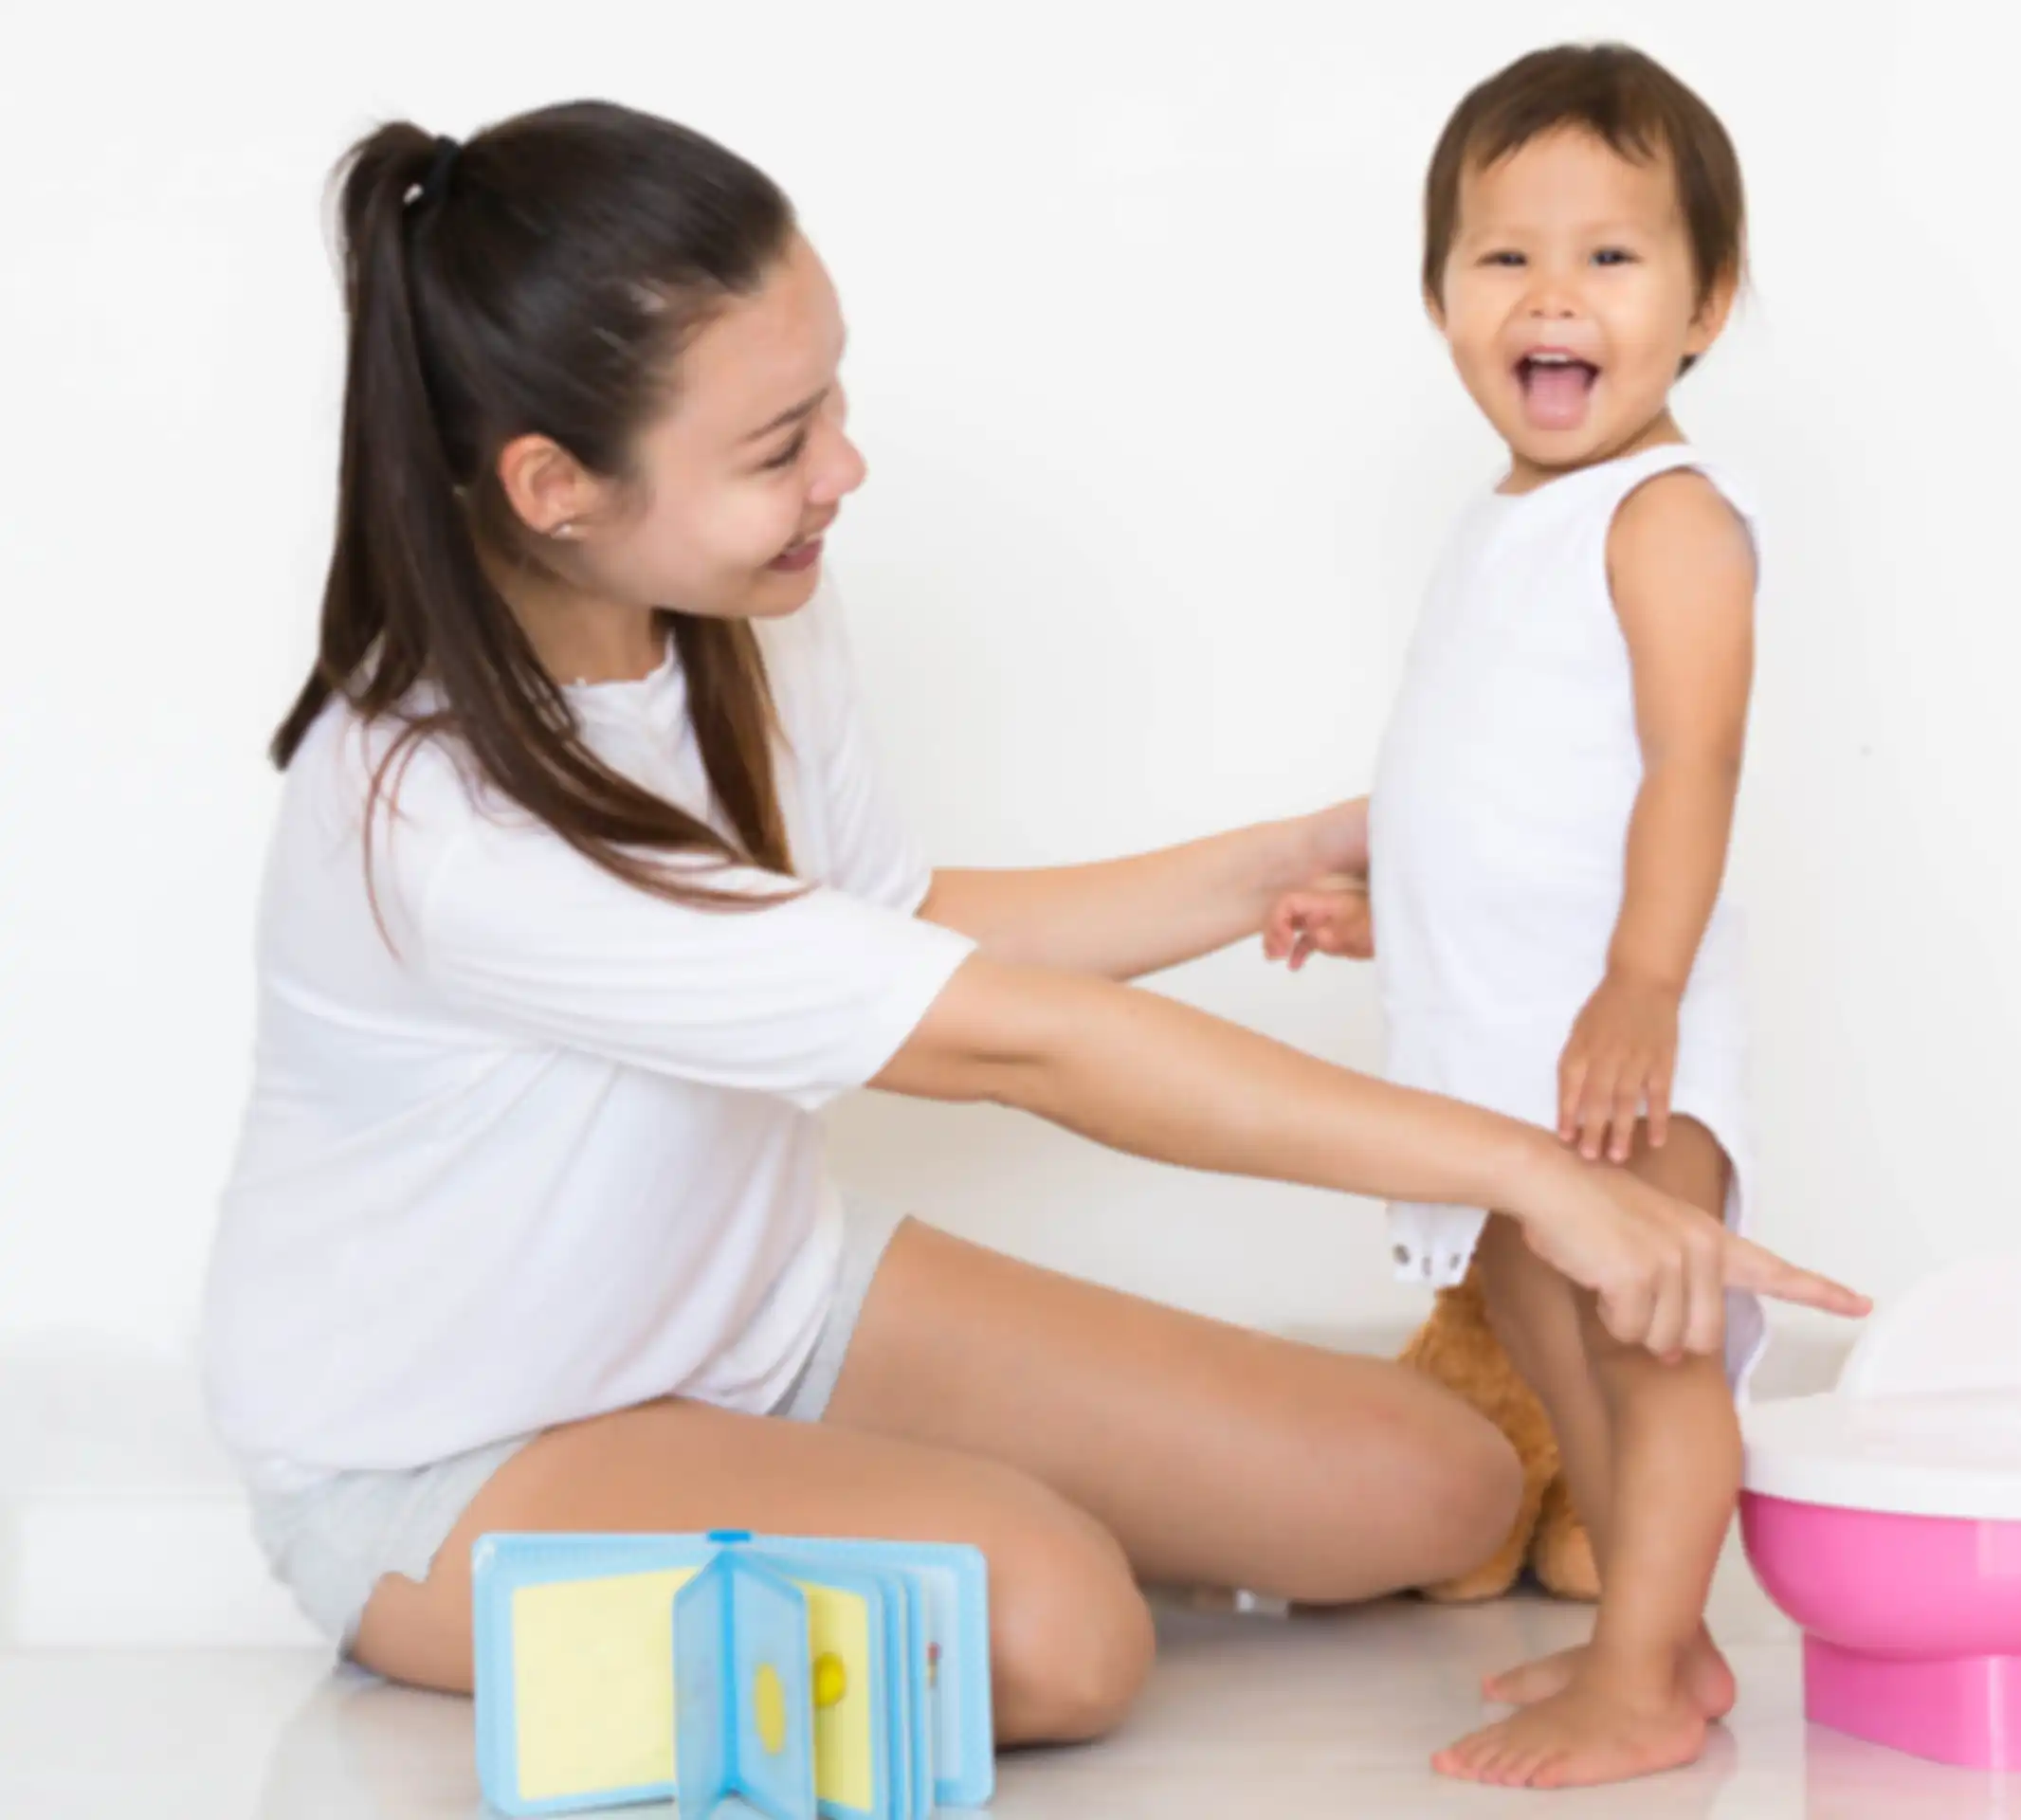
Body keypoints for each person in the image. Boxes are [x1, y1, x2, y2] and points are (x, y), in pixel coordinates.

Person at [200, 99, 1866, 1750]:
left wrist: (1298, 858)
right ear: (555, 484)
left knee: (1445, 1488)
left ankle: (850, 1503)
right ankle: (692, 1562)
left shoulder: (738, 608)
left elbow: (893, 924)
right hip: (451, 1450)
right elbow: (1007, 1038)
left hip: (755, 1310)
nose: (844, 468)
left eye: (830, 397)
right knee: (1058, 1632)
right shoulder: (433, 826)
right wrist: (1524, 1170)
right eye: (780, 448)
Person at [1267, 42, 1785, 1790]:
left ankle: (1639, 1672)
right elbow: (1493, 779)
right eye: (1506, 256)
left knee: (1650, 1346)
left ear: (1707, 300)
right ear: (1441, 299)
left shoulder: (1667, 517)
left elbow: (1690, 765)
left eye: (1614, 258)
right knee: (1552, 1331)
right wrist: (1386, 915)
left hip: (1612, 1040)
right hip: (1496, 1036)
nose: (1554, 293)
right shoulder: (1510, 520)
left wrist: (1644, 984)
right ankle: (1665, 1635)